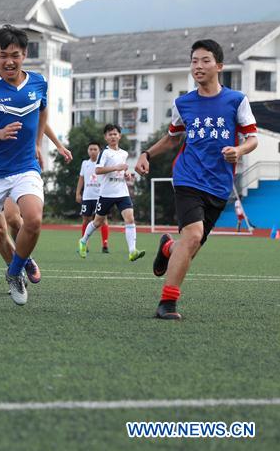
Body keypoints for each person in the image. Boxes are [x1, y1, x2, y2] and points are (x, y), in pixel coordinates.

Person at [136, 39, 258, 320]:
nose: (198, 66)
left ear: (219, 66)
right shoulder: (183, 103)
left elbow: (252, 139)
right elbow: (172, 138)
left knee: (189, 247)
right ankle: (167, 303)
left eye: (205, 60)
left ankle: (168, 247)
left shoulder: (236, 101)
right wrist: (147, 154)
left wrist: (238, 150)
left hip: (219, 184)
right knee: (193, 235)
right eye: (194, 61)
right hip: (188, 177)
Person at [0, 48, 71, 306]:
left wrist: (52, 145)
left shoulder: (19, 90)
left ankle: (18, 267)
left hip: (19, 168)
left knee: (17, 220)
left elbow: (39, 114)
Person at [78, 124, 144, 262]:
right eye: (110, 134)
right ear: (105, 137)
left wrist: (126, 175)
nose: (113, 136)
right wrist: (116, 167)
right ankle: (83, 241)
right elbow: (98, 170)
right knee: (97, 222)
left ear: (119, 136)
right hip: (106, 194)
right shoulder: (105, 153)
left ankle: (132, 251)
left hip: (122, 192)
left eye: (115, 134)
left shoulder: (124, 153)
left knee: (130, 218)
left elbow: (121, 170)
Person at [76, 141, 111, 253]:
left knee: (103, 220)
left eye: (95, 149)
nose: (92, 151)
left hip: (100, 196)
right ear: (88, 151)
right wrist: (78, 193)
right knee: (86, 220)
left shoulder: (103, 163)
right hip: (87, 196)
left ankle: (105, 244)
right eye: (90, 149)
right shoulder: (84, 163)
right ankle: (84, 245)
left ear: (99, 151)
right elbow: (81, 178)